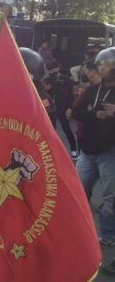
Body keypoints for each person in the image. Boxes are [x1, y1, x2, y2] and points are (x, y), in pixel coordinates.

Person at [72, 47, 115, 249]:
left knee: (109, 200)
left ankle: (108, 236)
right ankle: (79, 229)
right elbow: (76, 112)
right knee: (78, 192)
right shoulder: (93, 89)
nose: (99, 67)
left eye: (103, 64)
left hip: (110, 153)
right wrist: (95, 115)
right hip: (87, 153)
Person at [43, 61, 78, 156]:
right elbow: (42, 95)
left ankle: (74, 148)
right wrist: (44, 90)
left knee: (66, 128)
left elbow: (71, 95)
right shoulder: (47, 80)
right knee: (50, 131)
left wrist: (70, 108)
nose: (51, 71)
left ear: (58, 68)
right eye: (49, 70)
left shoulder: (66, 79)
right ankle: (51, 151)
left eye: (53, 69)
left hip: (63, 108)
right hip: (50, 109)